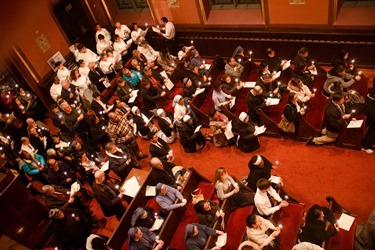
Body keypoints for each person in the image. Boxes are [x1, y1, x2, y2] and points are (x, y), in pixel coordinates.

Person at [362, 88, 375, 154]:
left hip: (371, 118)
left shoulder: (371, 94)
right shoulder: (370, 102)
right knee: (373, 132)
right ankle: (365, 146)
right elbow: (372, 116)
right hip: (370, 119)